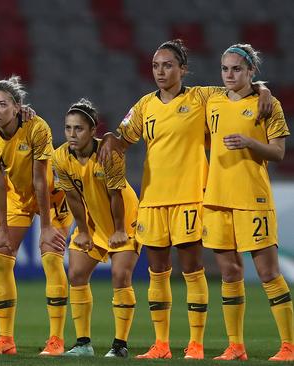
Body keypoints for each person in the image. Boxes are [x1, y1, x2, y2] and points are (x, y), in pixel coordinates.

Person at [99, 39, 272, 359]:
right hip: (152, 199)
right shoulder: (144, 105)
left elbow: (241, 87)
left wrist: (264, 89)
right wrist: (111, 139)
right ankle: (161, 345)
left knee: (192, 270)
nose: (160, 71)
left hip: (191, 198)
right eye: (155, 65)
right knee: (157, 271)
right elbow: (123, 140)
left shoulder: (201, 97)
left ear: (182, 69)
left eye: (167, 65)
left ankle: (195, 344)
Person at [203, 44, 292, 362]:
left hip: (252, 198)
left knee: (268, 272)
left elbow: (279, 152)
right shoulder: (211, 100)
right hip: (216, 199)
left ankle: (288, 346)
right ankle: (235, 347)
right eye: (225, 69)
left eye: (237, 69)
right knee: (229, 273)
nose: (229, 74)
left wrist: (250, 142)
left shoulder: (269, 104)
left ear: (251, 71)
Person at [0, 77, 71, 356]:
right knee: (0, 258)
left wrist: (47, 227)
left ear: (17, 108)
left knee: (51, 259)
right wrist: (2, 227)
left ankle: (56, 340)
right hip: (16, 196)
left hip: (51, 198)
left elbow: (41, 180)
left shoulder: (37, 128)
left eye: (2, 105)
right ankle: (6, 340)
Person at [52, 99, 140, 358]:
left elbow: (116, 196)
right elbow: (74, 198)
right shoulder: (60, 157)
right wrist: (83, 232)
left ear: (93, 131)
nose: (71, 134)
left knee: (120, 277)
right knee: (77, 274)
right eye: (68, 128)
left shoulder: (108, 153)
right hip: (93, 220)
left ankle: (119, 346)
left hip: (125, 219)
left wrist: (119, 231)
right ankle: (83, 344)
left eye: (78, 128)